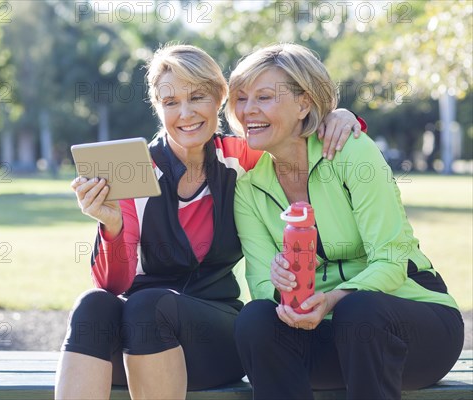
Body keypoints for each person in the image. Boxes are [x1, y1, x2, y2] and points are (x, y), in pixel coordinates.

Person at [55, 44, 364, 400]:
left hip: (213, 338)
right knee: (92, 305)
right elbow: (113, 283)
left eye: (197, 97)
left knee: (146, 306)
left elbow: (295, 135)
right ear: (158, 108)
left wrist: (339, 116)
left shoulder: (242, 156)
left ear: (220, 98)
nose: (185, 113)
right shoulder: (134, 172)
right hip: (137, 343)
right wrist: (111, 227)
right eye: (171, 103)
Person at [230, 43, 464, 400]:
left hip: (412, 330)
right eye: (241, 98)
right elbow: (261, 283)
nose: (248, 110)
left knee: (359, 310)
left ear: (304, 103)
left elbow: (390, 258)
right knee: (255, 319)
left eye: (263, 97)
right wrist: (283, 290)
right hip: (324, 336)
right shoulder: (248, 188)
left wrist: (336, 298)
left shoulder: (352, 151)